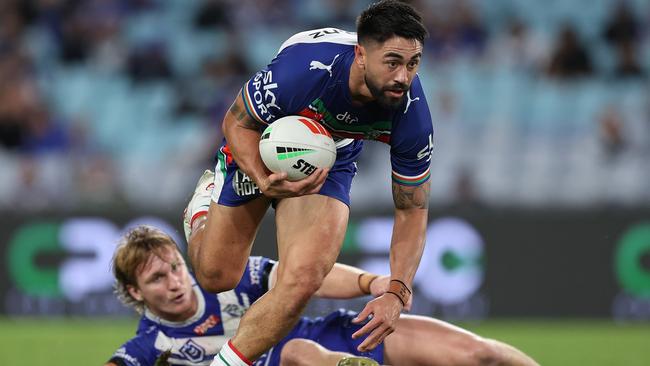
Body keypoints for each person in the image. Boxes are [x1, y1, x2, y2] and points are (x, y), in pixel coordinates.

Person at [184, 1, 434, 364]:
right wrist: (262, 178)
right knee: (215, 276)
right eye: (392, 62)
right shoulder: (302, 72)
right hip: (265, 138)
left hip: (331, 154)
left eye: (413, 63)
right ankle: (203, 210)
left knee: (303, 280)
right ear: (361, 55)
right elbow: (237, 122)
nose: (403, 77)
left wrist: (397, 291)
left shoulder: (411, 114)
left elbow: (412, 208)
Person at [106, 225, 539, 366]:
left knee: (480, 355)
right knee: (297, 352)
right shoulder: (149, 347)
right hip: (298, 356)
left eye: (176, 267)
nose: (176, 281)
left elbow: (306, 277)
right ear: (134, 291)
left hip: (335, 336)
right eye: (158, 279)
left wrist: (372, 283)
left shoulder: (228, 278)